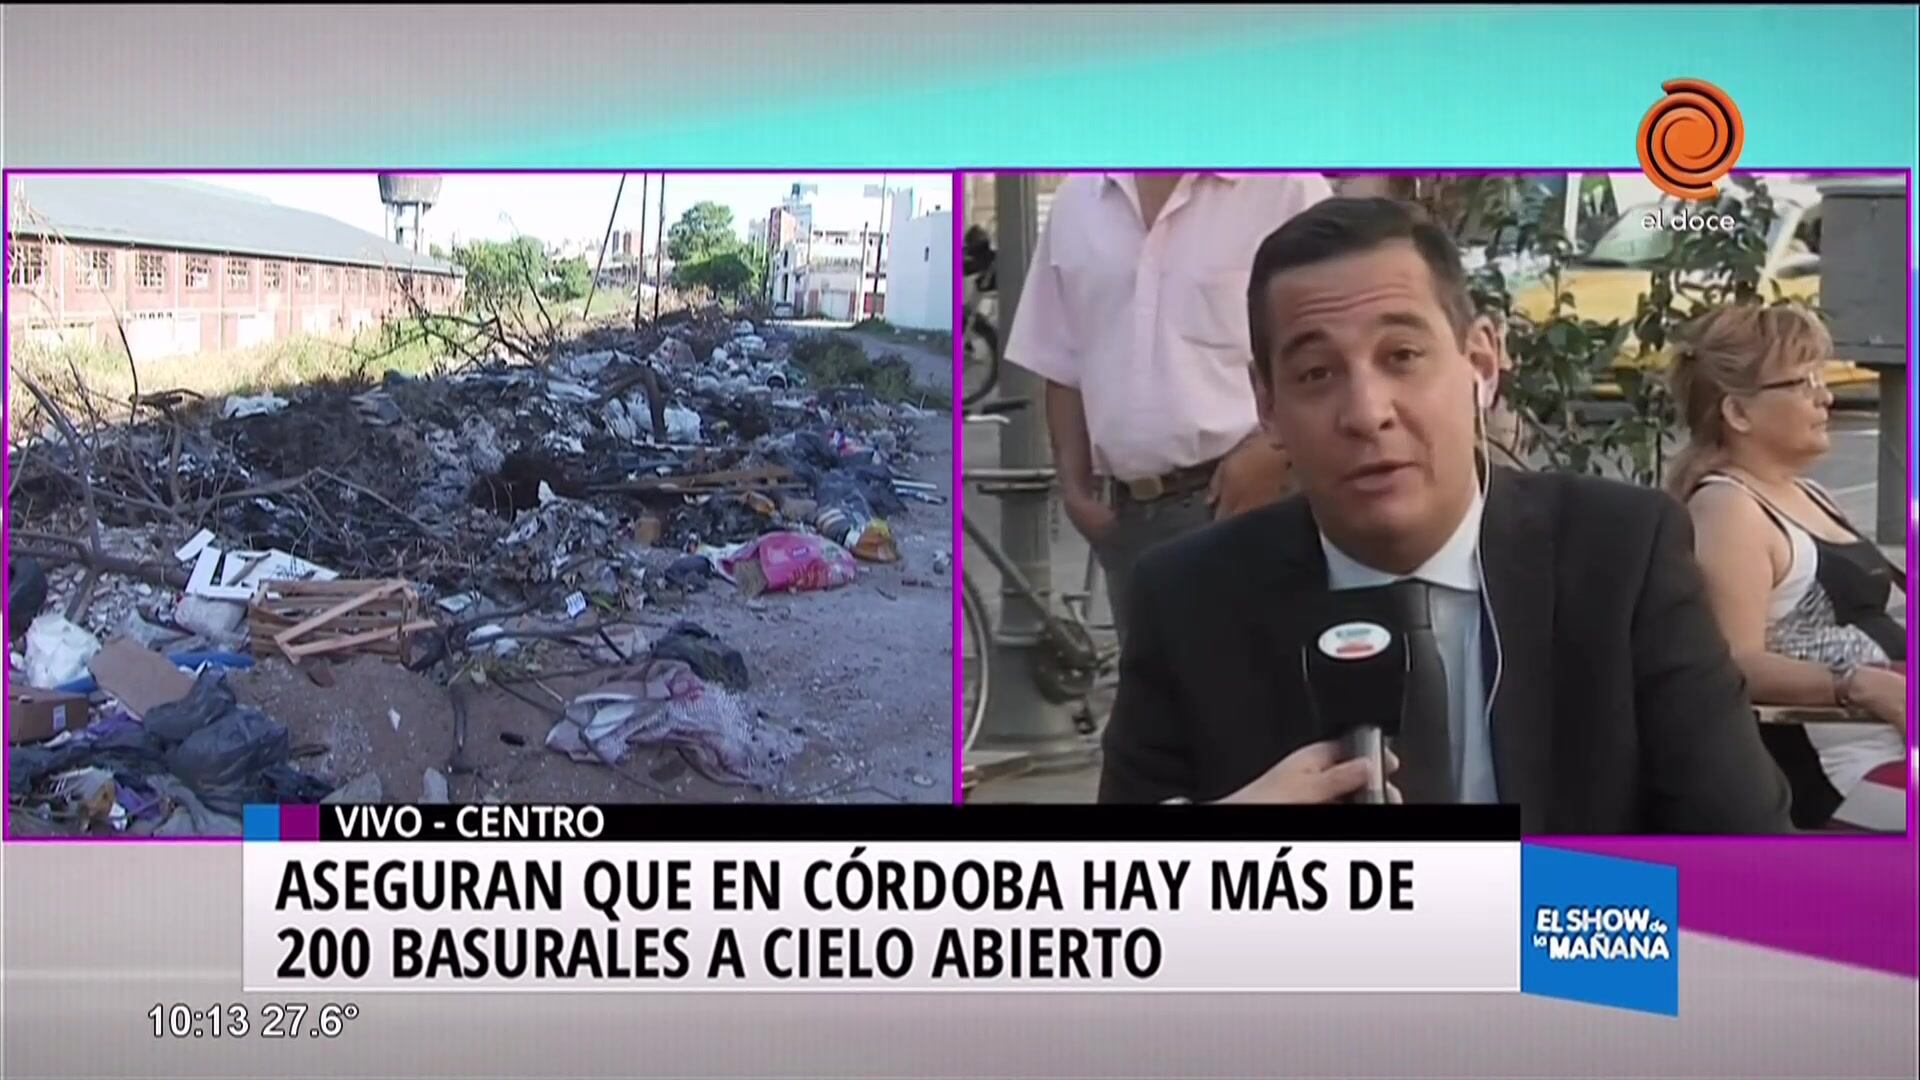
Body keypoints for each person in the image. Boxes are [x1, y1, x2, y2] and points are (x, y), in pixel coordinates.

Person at [1097, 196, 1793, 834]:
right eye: (1316, 374)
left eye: (1402, 357)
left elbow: (1748, 869)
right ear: (1267, 406)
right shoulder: (1188, 598)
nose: (1367, 413)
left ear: (1481, 363)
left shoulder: (1621, 556)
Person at [1003, 172, 1332, 644]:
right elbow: (1061, 360)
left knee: (1262, 698)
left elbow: (1336, 349)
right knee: (1162, 705)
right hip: (1131, 525)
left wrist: (1275, 452)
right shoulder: (1078, 202)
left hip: (1249, 502)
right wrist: (1074, 489)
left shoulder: (1285, 189)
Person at [1667, 304, 1908, 832]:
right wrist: (1857, 684)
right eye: (1803, 383)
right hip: (1844, 775)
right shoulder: (1730, 509)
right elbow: (1731, 661)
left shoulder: (1810, 494)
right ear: (1738, 413)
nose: (1826, 396)